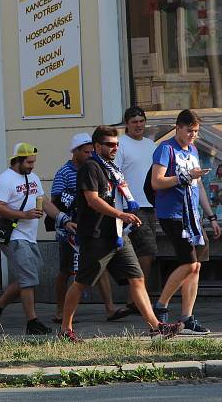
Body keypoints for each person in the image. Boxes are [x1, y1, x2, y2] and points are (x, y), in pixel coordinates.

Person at [60, 127, 181, 342]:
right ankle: (65, 330)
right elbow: (92, 199)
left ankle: (156, 327)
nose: (114, 147)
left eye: (117, 144)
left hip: (117, 234)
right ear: (97, 146)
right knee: (82, 283)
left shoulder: (112, 168)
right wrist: (120, 214)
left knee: (137, 278)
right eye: (109, 144)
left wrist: (123, 217)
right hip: (96, 235)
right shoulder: (91, 167)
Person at [0, 143, 68, 335]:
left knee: (29, 275)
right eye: (29, 162)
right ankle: (32, 322)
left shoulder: (33, 178)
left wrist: (63, 219)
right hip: (13, 235)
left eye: (33, 162)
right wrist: (24, 214)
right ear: (18, 161)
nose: (32, 166)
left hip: (29, 236)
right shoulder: (4, 180)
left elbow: (45, 201)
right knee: (28, 278)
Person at [150, 109, 220, 335]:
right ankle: (160, 307)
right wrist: (184, 177)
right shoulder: (165, 148)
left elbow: (198, 185)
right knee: (189, 263)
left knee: (196, 266)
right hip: (172, 214)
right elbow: (157, 182)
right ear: (178, 127)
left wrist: (211, 216)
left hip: (193, 216)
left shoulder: (193, 150)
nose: (192, 135)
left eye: (196, 132)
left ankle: (187, 318)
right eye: (189, 131)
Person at [50, 133, 124, 323]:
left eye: (92, 151)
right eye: (85, 152)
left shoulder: (97, 167)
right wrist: (65, 221)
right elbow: (54, 201)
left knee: (100, 267)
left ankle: (109, 308)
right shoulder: (64, 173)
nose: (89, 154)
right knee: (66, 271)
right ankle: (60, 311)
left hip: (91, 227)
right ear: (75, 152)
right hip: (69, 230)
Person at [116, 106, 159, 311]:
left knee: (145, 253)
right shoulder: (121, 144)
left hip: (151, 204)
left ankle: (136, 298)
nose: (138, 125)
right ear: (127, 124)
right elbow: (114, 176)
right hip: (131, 205)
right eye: (134, 122)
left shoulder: (150, 145)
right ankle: (136, 299)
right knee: (147, 250)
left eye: (141, 121)